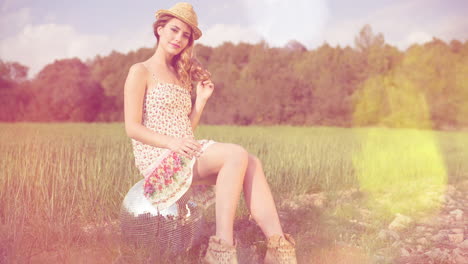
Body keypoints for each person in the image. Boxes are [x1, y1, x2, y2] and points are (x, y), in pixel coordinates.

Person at [123, 2, 298, 263]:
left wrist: (201, 101)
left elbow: (184, 129)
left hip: (183, 153)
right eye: (174, 30)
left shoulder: (180, 76)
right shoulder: (140, 71)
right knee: (236, 154)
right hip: (159, 163)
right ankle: (221, 249)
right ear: (159, 29)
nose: (179, 38)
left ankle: (278, 248)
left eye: (185, 35)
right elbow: (132, 128)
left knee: (252, 162)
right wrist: (172, 143)